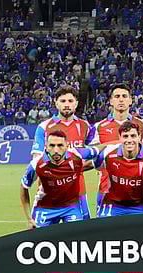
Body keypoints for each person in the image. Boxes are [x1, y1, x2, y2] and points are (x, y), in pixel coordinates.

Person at [88, 83, 143, 215]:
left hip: (138, 193)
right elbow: (92, 155)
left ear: (130, 101)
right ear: (111, 101)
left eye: (124, 96)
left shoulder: (142, 124)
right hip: (107, 190)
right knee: (106, 233)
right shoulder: (98, 127)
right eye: (117, 96)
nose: (121, 99)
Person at [30, 85, 95, 220]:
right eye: (63, 101)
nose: (67, 105)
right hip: (49, 195)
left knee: (79, 238)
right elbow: (37, 161)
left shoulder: (85, 127)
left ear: (76, 103)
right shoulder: (44, 128)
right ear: (56, 102)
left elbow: (95, 155)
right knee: (43, 238)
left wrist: (76, 167)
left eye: (70, 101)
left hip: (77, 195)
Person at [20, 131, 101, 229]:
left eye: (60, 145)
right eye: (52, 146)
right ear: (46, 146)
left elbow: (98, 149)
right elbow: (24, 186)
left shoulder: (76, 155)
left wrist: (116, 144)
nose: (56, 150)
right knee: (38, 240)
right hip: (45, 208)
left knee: (76, 238)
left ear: (67, 146)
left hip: (71, 207)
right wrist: (29, 219)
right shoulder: (36, 164)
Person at [94, 121, 143, 217]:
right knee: (104, 230)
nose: (129, 140)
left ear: (139, 137)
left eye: (133, 136)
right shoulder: (107, 154)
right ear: (119, 138)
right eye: (125, 136)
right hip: (113, 204)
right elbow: (87, 165)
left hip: (140, 205)